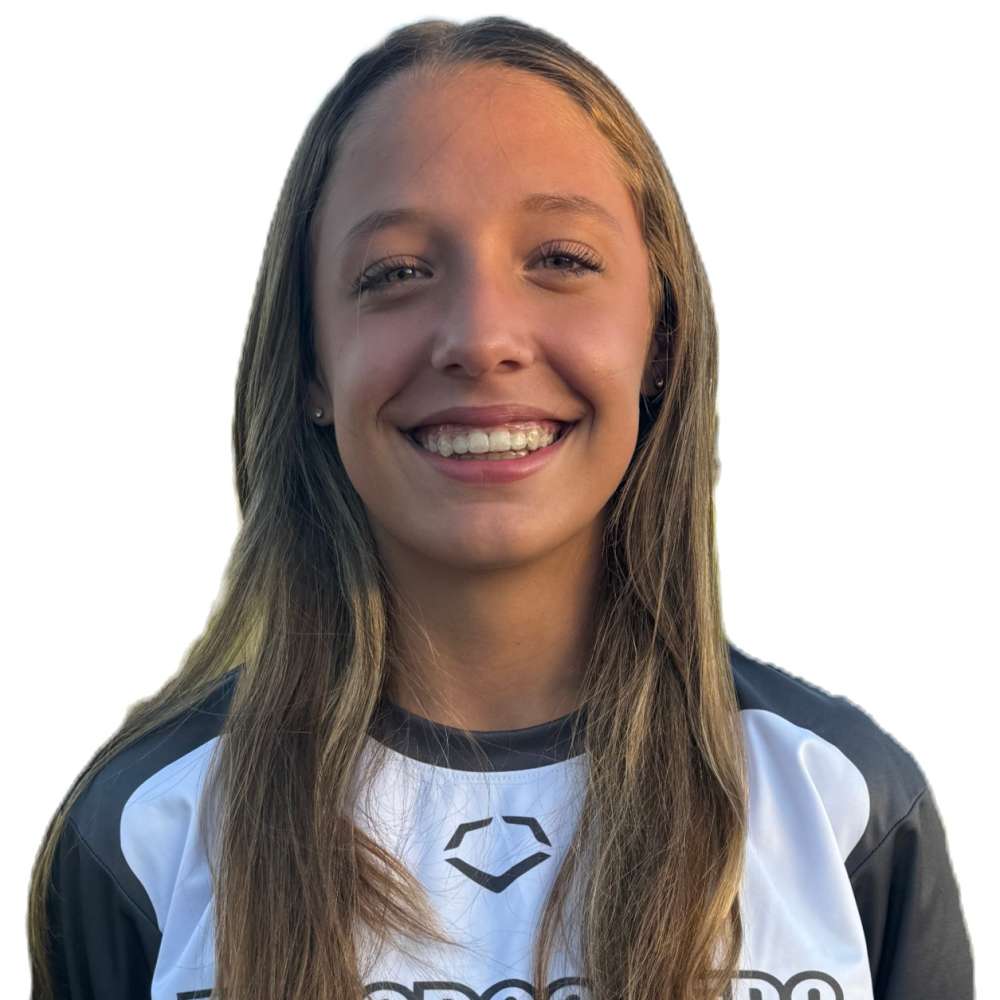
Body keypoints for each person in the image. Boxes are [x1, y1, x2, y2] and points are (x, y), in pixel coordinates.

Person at [27, 15, 974, 1000]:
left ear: (661, 337)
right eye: (396, 273)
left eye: (559, 259)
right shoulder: (144, 832)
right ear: (310, 363)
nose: (482, 339)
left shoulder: (841, 809)